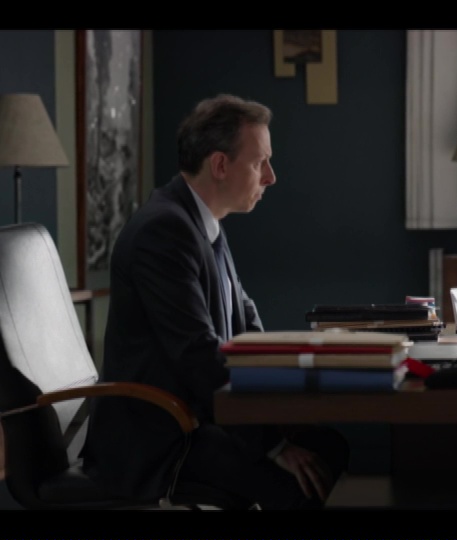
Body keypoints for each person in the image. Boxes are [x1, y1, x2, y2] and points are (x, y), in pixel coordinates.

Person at [82, 94, 348, 510]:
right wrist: (274, 445)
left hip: (197, 417)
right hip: (161, 439)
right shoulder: (164, 231)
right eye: (260, 163)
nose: (271, 177)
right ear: (221, 165)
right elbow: (196, 353)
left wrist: (284, 391)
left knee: (327, 445)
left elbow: (245, 322)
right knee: (299, 477)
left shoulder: (203, 222)